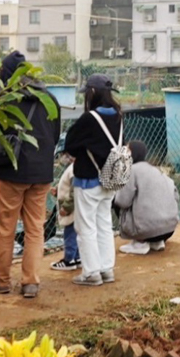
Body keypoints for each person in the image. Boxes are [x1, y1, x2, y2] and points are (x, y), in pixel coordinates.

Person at [0, 51, 61, 298]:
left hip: (11, 171)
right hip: (42, 173)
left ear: (6, 74)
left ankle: (1, 281)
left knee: (4, 228)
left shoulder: (3, 98)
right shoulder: (49, 97)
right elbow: (55, 133)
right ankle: (30, 282)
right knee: (35, 228)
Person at [64, 73, 123, 286]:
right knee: (104, 224)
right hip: (110, 179)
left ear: (92, 93)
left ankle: (91, 273)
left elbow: (70, 144)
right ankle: (107, 269)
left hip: (88, 179)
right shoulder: (118, 115)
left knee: (86, 227)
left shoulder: (89, 118)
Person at [114, 140, 179, 255]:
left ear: (132, 153)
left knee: (116, 202)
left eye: (126, 150)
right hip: (169, 230)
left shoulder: (131, 170)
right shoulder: (156, 170)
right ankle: (156, 242)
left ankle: (140, 243)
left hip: (146, 230)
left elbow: (122, 202)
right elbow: (176, 196)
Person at [49, 157, 81, 271]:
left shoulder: (74, 169)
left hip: (71, 209)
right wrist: (58, 191)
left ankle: (69, 260)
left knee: (70, 234)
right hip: (76, 208)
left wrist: (66, 207)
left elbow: (73, 191)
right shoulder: (75, 167)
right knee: (76, 234)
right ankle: (77, 257)